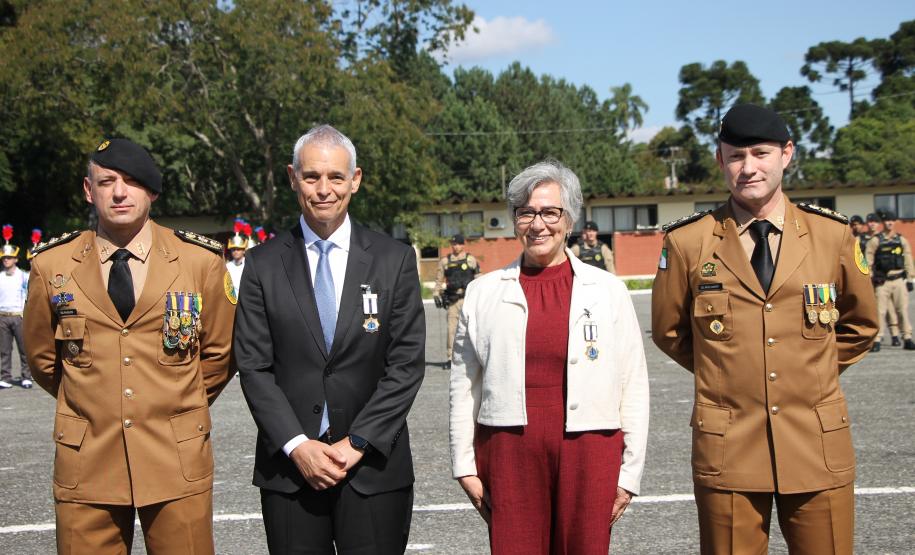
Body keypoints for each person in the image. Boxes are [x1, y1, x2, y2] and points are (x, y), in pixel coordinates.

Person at [652, 104, 878, 555]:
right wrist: (729, 372)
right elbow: (669, 330)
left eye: (760, 153)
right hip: (730, 444)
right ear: (720, 161)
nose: (748, 167)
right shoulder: (688, 241)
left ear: (787, 154)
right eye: (735, 156)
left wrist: (807, 372)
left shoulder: (831, 235)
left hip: (815, 439)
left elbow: (861, 323)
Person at [23, 138, 236, 554]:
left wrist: (171, 403)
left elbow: (219, 355)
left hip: (175, 456)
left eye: (133, 182)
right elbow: (42, 358)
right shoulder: (52, 265)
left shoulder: (199, 261)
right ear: (89, 190)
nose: (120, 192)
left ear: (152, 191)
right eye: (107, 182)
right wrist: (98, 401)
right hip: (88, 460)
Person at [234, 124, 425, 554]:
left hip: (373, 468)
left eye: (336, 177)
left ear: (355, 180)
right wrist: (298, 446)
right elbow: (254, 366)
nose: (324, 189)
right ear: (292, 177)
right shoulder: (262, 265)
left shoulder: (394, 260)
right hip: (290, 472)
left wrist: (356, 442)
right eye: (311, 176)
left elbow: (406, 365)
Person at [450, 160, 649, 555]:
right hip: (509, 452)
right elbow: (463, 384)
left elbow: (634, 383)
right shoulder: (483, 292)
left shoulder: (608, 291)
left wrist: (630, 474)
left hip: (590, 452)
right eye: (526, 212)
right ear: (514, 220)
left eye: (550, 212)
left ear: (570, 218)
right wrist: (464, 465)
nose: (537, 224)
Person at [865, 210, 915, 351]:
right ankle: (877, 340)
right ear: (883, 222)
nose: (889, 223)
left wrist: (910, 278)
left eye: (892, 220)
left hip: (898, 280)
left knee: (902, 310)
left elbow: (908, 259)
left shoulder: (901, 240)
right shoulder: (875, 241)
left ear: (895, 222)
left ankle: (907, 338)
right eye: (887, 220)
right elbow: (868, 261)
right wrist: (869, 278)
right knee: (880, 311)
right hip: (882, 282)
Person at [433, 233, 480, 369]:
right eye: (453, 244)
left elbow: (478, 278)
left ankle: (474, 357)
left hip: (468, 300)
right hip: (453, 300)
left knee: (472, 329)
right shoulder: (445, 261)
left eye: (458, 244)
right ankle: (450, 358)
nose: (455, 246)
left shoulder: (470, 260)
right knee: (451, 330)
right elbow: (439, 280)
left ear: (463, 245)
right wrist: (436, 294)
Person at [0, 226, 32, 389]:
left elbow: (29, 295)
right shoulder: (0, 277)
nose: (6, 259)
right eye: (4, 257)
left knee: (23, 348)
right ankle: (5, 376)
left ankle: (26, 376)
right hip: (3, 316)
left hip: (19, 315)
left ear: (16, 259)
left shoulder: (24, 276)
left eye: (9, 257)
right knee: (4, 350)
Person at [225, 218, 250, 299]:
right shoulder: (227, 266)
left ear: (244, 250)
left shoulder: (249, 265)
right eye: (233, 249)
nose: (235, 251)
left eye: (238, 249)